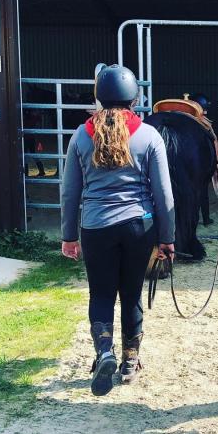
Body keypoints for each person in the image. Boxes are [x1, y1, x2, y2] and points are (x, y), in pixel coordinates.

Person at [60, 64, 175, 396]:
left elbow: (70, 192)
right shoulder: (149, 135)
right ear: (134, 97)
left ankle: (104, 351)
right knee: (132, 294)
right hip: (139, 226)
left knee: (101, 294)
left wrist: (69, 235)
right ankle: (129, 361)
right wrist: (167, 239)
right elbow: (163, 193)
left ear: (99, 96)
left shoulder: (81, 135)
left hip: (96, 227)